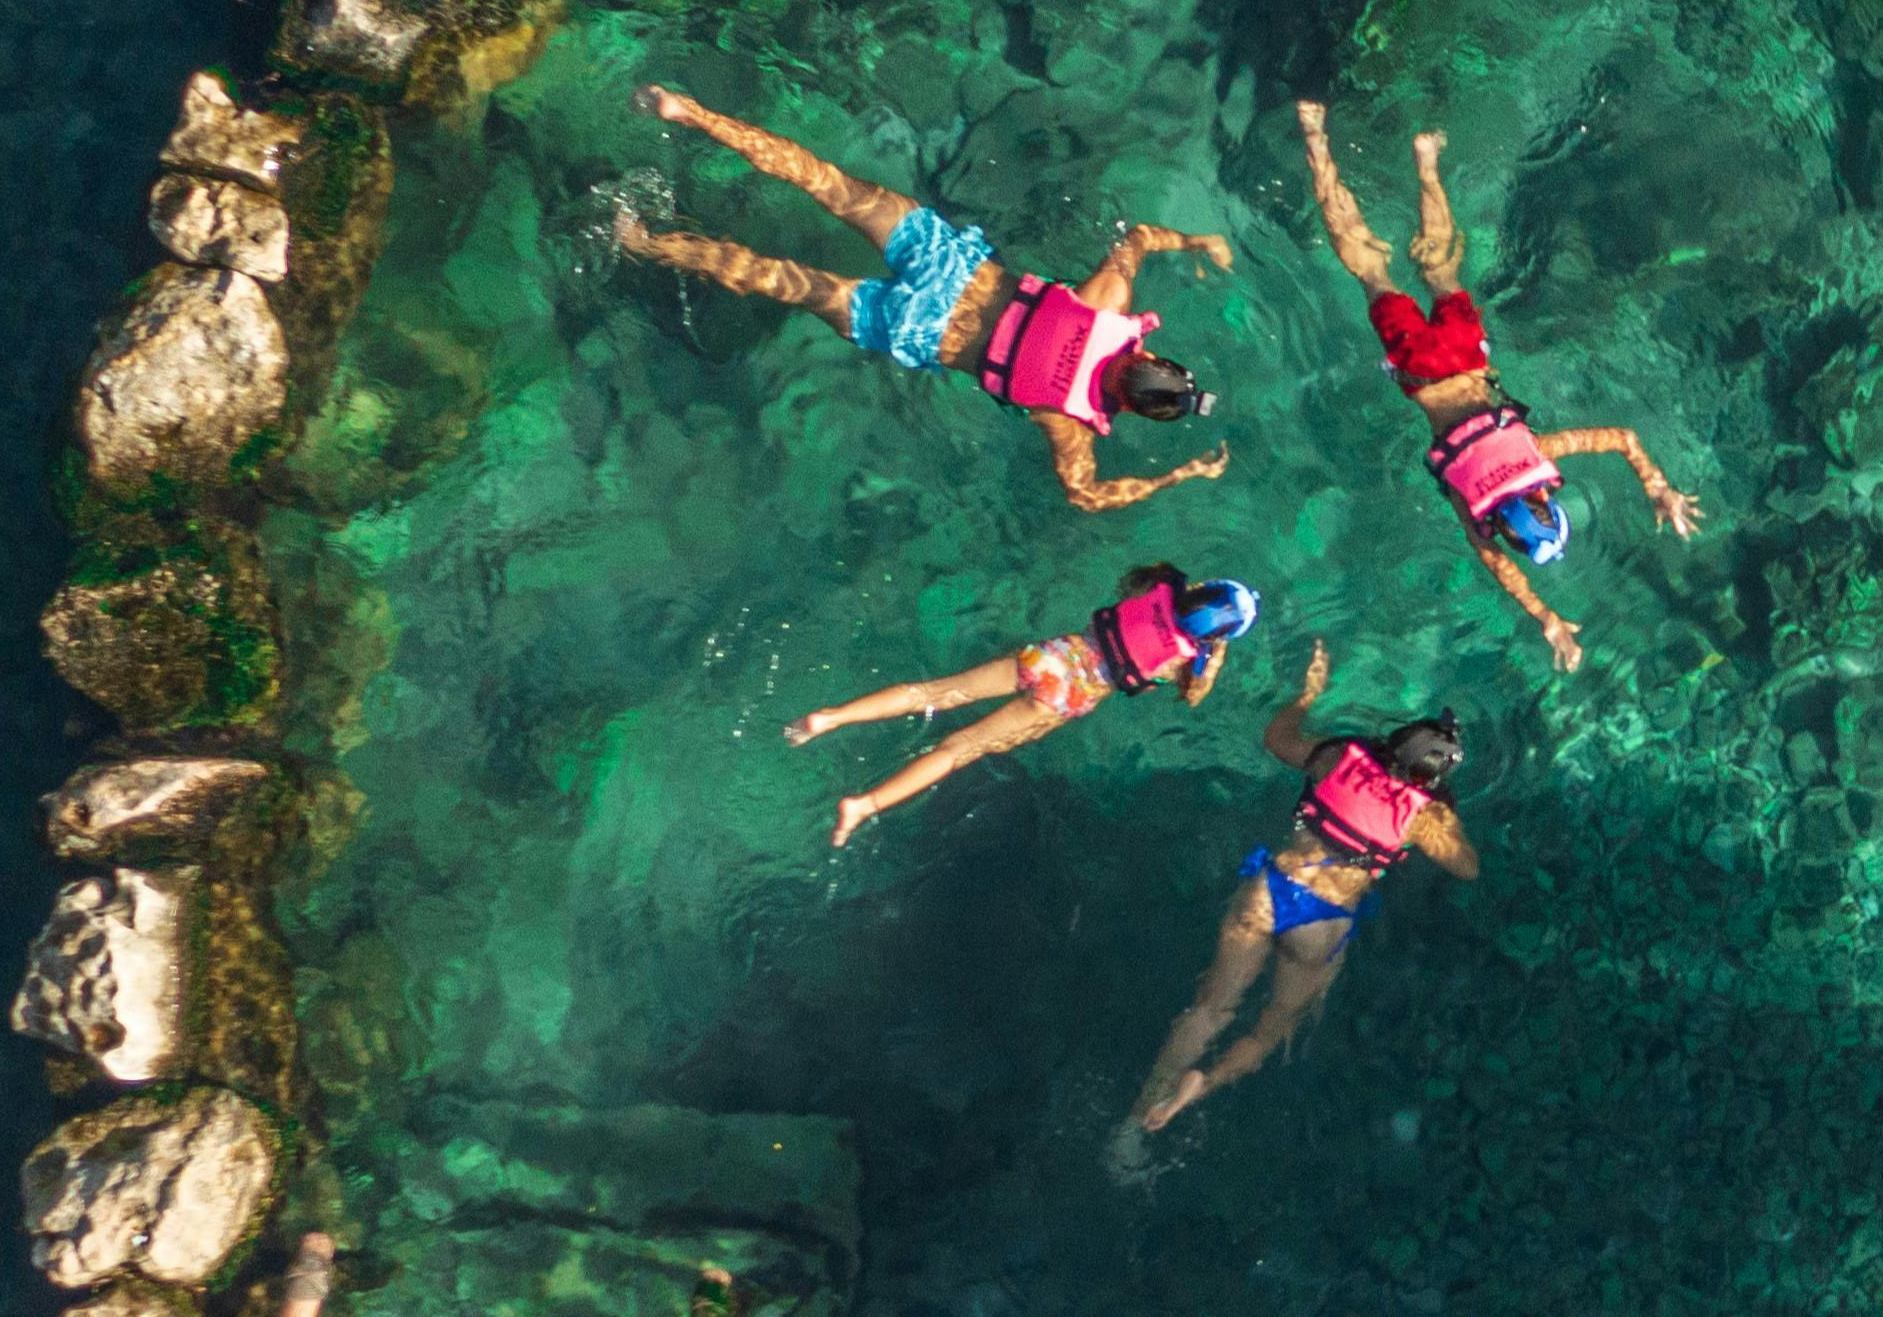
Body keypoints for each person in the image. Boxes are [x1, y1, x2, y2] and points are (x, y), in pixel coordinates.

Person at [615, 84, 1238, 514]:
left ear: (1152, 354)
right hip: (917, 329)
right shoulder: (1070, 422)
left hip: (950, 265)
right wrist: (1176, 476)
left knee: (823, 180)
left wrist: (1197, 240)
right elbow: (1084, 494)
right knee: (774, 276)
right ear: (1129, 409)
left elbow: (1140, 238)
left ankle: (686, 113)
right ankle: (645, 244)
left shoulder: (1108, 305)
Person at [1297, 101, 1700, 668]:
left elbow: (1622, 437)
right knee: (1371, 271)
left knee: (1441, 272)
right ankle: (1316, 138)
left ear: (1546, 499)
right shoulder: (1473, 505)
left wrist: (1658, 488)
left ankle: (1426, 161)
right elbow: (1500, 567)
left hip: (1464, 356)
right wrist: (1546, 619)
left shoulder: (1539, 455)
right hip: (1419, 370)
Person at [1127, 640, 1478, 1134]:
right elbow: (1466, 867)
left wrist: (1307, 695)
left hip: (1270, 891)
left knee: (1209, 1008)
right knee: (1276, 1025)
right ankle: (1199, 1088)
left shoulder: (1339, 756)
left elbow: (1277, 738)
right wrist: (1442, 814)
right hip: (1323, 921)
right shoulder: (1424, 817)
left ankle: (1137, 1119)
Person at [787, 566, 1259, 847]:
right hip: (1067, 696)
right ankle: (862, 804)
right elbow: (1192, 696)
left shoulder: (1159, 587)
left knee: (931, 692)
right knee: (959, 749)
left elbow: (1128, 583)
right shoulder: (1187, 657)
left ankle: (831, 717)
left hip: (1053, 655)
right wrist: (1213, 656)